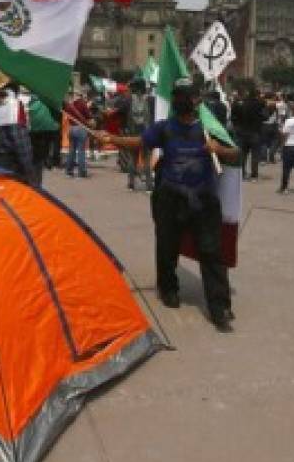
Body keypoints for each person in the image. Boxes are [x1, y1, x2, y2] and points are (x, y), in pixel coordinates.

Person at [102, 79, 239, 328]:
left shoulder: (211, 127)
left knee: (211, 252)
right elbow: (140, 142)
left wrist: (218, 148)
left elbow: (235, 154)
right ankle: (168, 289)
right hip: (169, 197)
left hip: (204, 199)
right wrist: (111, 138)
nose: (180, 100)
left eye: (185, 96)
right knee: (167, 246)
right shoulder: (164, 127)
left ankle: (219, 306)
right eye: (176, 96)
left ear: (197, 100)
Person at [25, 90, 61, 188]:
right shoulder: (49, 100)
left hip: (35, 131)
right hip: (48, 129)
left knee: (36, 157)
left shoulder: (33, 101)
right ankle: (37, 181)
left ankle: (35, 181)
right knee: (42, 154)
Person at [231, 88, 266, 181]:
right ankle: (254, 175)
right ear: (256, 95)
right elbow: (265, 116)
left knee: (243, 154)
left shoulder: (240, 104)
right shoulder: (259, 104)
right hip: (255, 132)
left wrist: (237, 126)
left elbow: (233, 117)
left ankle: (242, 174)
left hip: (242, 132)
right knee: (255, 155)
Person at [63, 90, 93, 178]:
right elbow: (89, 116)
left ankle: (69, 171)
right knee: (81, 151)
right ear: (80, 95)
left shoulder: (69, 105)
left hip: (71, 128)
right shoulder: (82, 104)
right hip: (81, 128)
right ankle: (81, 172)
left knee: (71, 151)